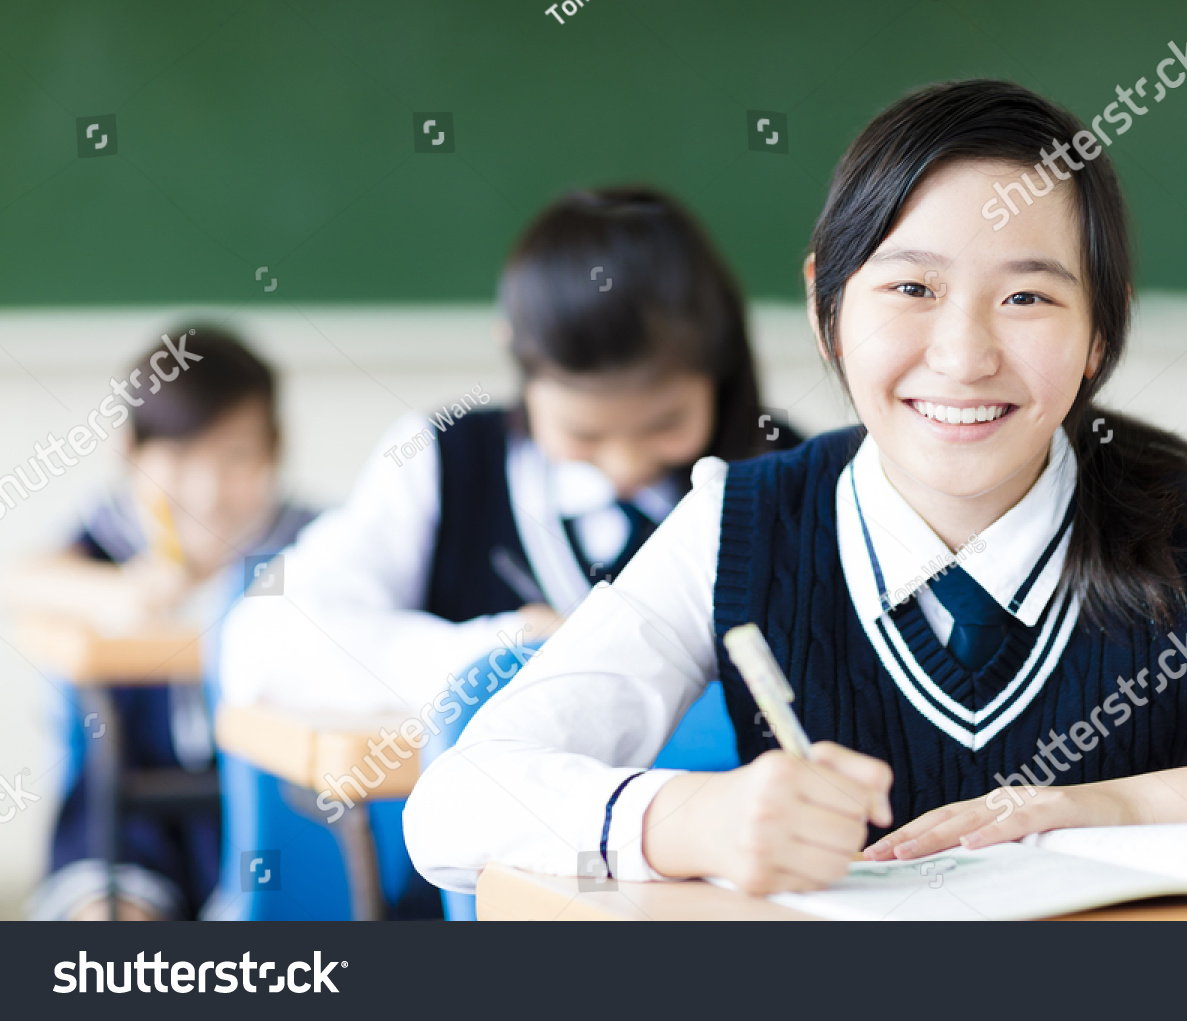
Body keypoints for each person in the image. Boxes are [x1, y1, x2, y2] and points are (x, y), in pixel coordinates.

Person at [402, 80, 1187, 898]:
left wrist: (1129, 802)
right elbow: (454, 804)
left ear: (1102, 328)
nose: (964, 356)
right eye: (912, 288)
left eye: (1028, 299)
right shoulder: (738, 524)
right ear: (828, 303)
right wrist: (689, 818)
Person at [219, 186, 796, 719]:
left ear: (721, 371)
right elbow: (265, 643)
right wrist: (505, 650)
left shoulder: (793, 474)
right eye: (585, 433)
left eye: (666, 423)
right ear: (517, 356)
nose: (625, 464)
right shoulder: (443, 462)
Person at [8, 325, 314, 919]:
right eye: (177, 457)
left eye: (236, 456)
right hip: (121, 822)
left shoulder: (312, 547)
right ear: (131, 452)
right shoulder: (115, 539)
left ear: (274, 450)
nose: (207, 490)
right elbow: (18, 578)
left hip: (274, 813)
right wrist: (114, 592)